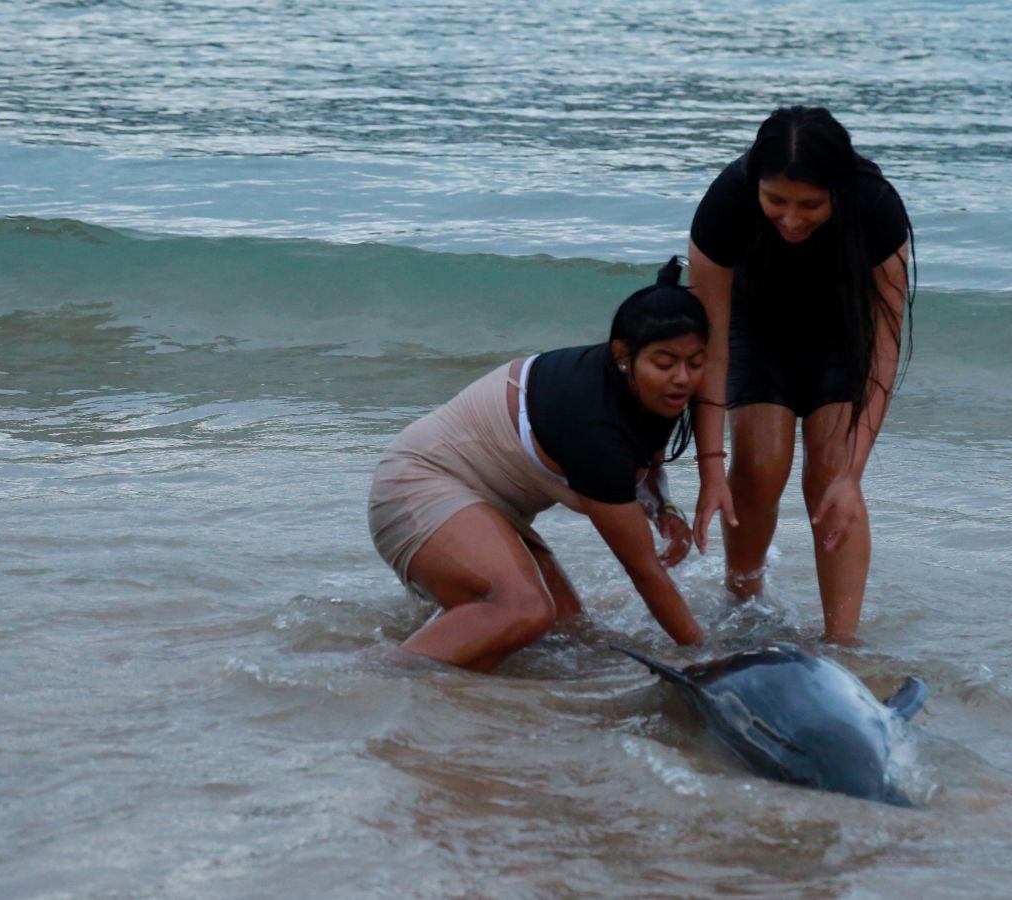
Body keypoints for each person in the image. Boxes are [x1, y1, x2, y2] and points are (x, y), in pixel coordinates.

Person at [368, 258, 707, 672]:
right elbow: (644, 571)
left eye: (696, 362)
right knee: (524, 611)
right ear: (622, 355)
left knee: (570, 635)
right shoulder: (595, 428)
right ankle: (373, 675)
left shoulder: (645, 390)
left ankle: (450, 686)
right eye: (665, 363)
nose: (683, 378)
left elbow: (646, 459)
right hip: (415, 486)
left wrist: (664, 508)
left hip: (488, 508)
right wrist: (706, 658)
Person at [686, 106, 914, 643]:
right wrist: (710, 468)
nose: (791, 219)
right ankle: (743, 606)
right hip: (754, 323)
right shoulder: (725, 203)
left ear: (839, 189)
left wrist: (852, 475)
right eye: (777, 201)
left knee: (831, 474)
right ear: (756, 186)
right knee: (758, 468)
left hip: (841, 326)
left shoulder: (876, 205)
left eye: (810, 204)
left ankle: (843, 642)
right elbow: (709, 352)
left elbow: (885, 352)